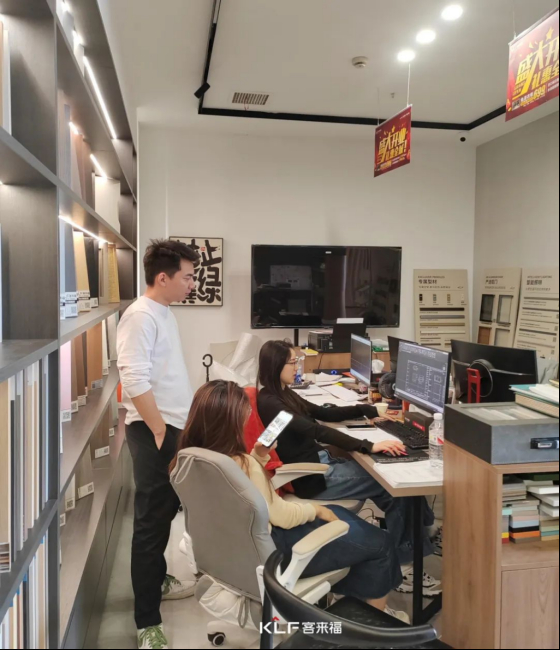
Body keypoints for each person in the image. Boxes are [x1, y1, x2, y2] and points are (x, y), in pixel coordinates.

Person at [170, 380, 409, 623]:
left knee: (346, 524)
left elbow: (242, 486)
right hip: (274, 551)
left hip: (233, 552)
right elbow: (280, 515)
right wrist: (316, 510)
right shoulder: (242, 463)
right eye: (245, 413)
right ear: (230, 421)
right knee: (380, 543)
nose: (248, 417)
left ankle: (354, 607)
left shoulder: (190, 460)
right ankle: (374, 626)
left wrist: (259, 456)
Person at [257, 340, 440, 597]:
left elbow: (322, 413)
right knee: (393, 484)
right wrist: (368, 445)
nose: (297, 366)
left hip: (322, 463)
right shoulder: (271, 403)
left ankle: (417, 541)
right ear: (276, 365)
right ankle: (408, 563)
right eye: (292, 362)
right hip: (313, 475)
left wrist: (367, 409)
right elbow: (315, 430)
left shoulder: (282, 393)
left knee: (396, 489)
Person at [117, 239, 200, 650]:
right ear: (163, 277)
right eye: (187, 276)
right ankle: (146, 621)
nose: (192, 284)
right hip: (155, 431)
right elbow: (133, 379)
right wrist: (160, 431)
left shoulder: (163, 312)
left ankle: (155, 579)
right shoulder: (139, 316)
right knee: (151, 524)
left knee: (166, 513)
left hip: (169, 427)